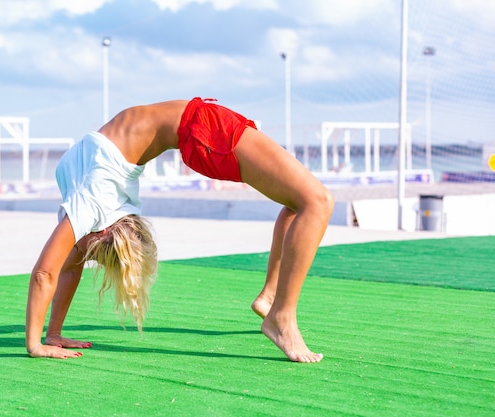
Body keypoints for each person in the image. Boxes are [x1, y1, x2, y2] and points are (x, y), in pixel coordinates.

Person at [25, 97, 334, 363]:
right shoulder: (91, 204)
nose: (80, 250)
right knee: (317, 202)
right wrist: (42, 340)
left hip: (199, 125)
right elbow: (56, 271)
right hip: (200, 130)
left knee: (300, 204)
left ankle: (270, 298)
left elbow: (59, 270)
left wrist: (47, 337)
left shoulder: (88, 204)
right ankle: (282, 316)